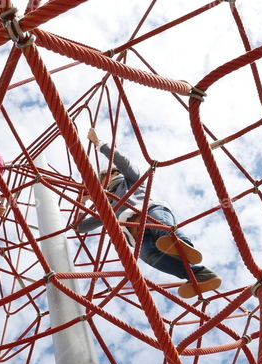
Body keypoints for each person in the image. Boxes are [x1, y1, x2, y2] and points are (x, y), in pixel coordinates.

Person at [77, 128, 222, 299]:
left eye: (102, 179)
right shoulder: (106, 207)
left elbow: (123, 162)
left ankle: (182, 245)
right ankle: (200, 275)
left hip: (148, 211)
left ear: (114, 173)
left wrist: (98, 143)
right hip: (135, 233)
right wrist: (82, 202)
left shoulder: (130, 179)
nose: (101, 185)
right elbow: (81, 227)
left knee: (163, 230)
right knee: (151, 256)